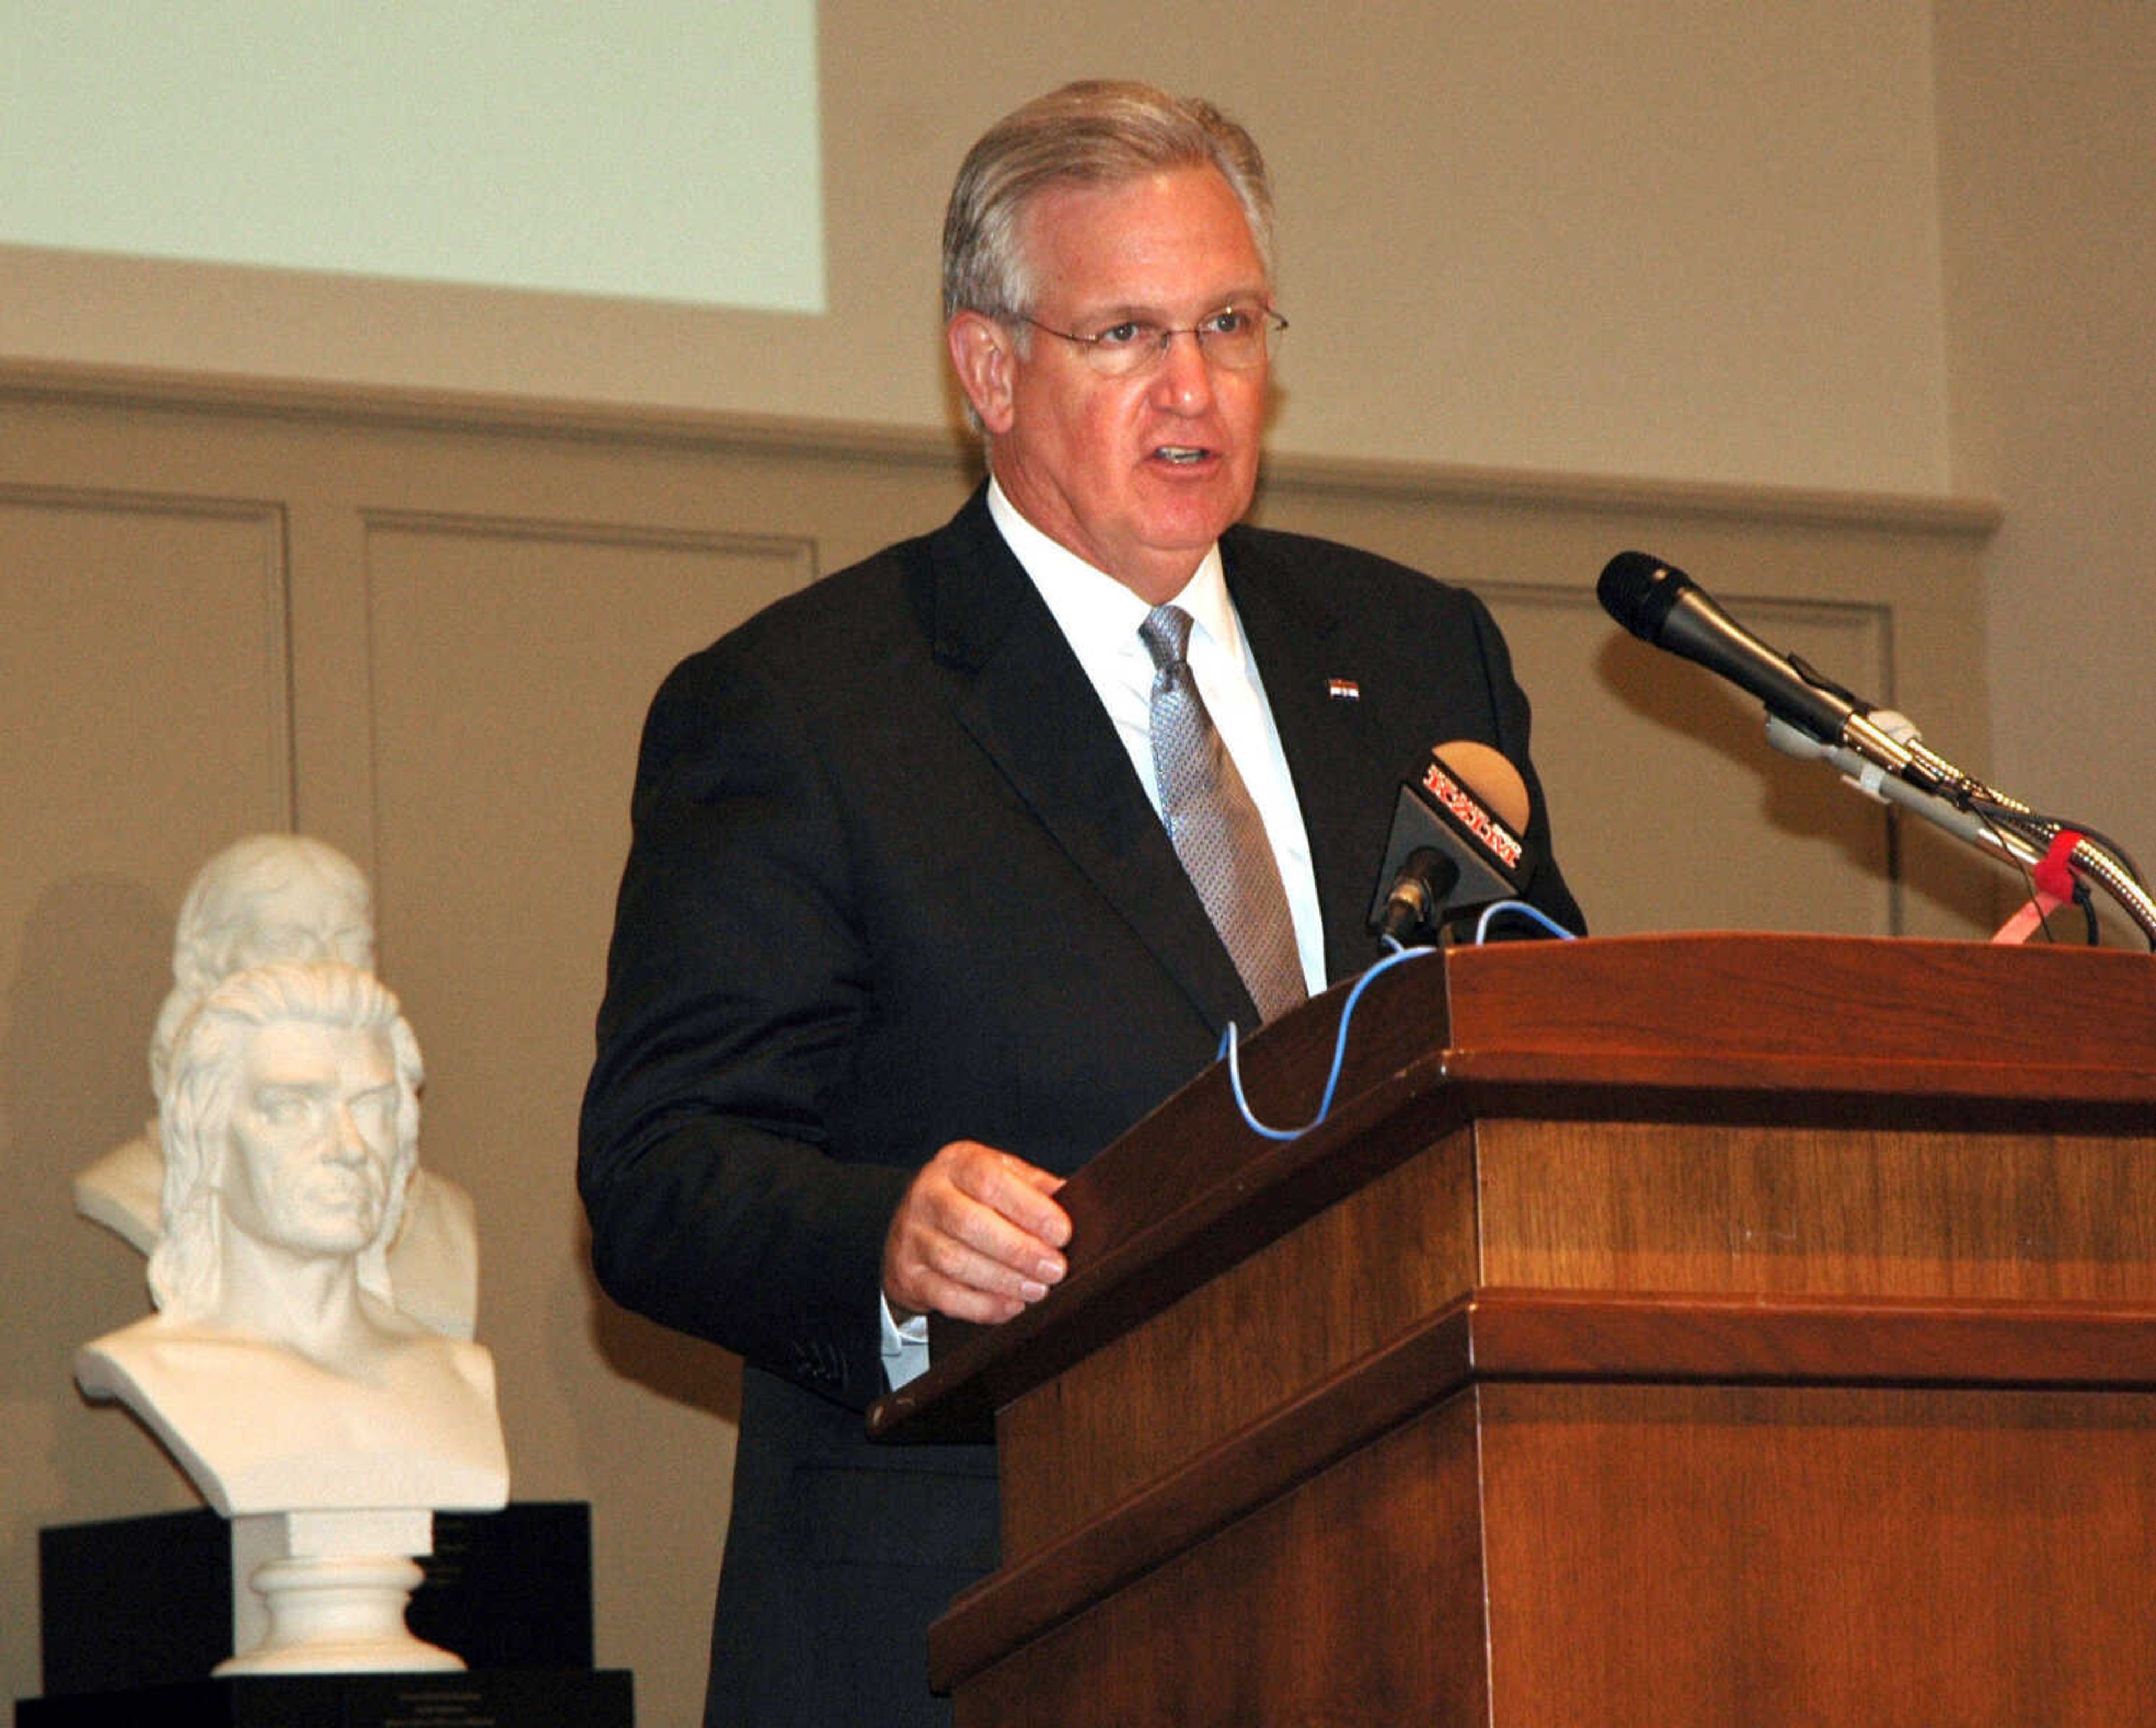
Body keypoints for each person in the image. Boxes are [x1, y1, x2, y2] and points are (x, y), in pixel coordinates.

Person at [579, 79, 1583, 1727]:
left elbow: (1528, 1017)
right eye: (1124, 335)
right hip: (984, 1613)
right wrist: (889, 1240)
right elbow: (657, 1171)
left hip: (1398, 1586)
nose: (1192, 389)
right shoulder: (808, 706)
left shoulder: (1413, 652)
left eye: (1229, 324)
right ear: (989, 369)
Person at [76, 961, 507, 1519]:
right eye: (292, 1107)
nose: (348, 1146)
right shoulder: (160, 1368)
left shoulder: (456, 1376)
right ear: (207, 1140)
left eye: (373, 1107)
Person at [74, 834, 481, 1340]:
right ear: (202, 964)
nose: (325, 968)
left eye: (350, 942)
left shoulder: (442, 1216)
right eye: (286, 943)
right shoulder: (134, 1186)